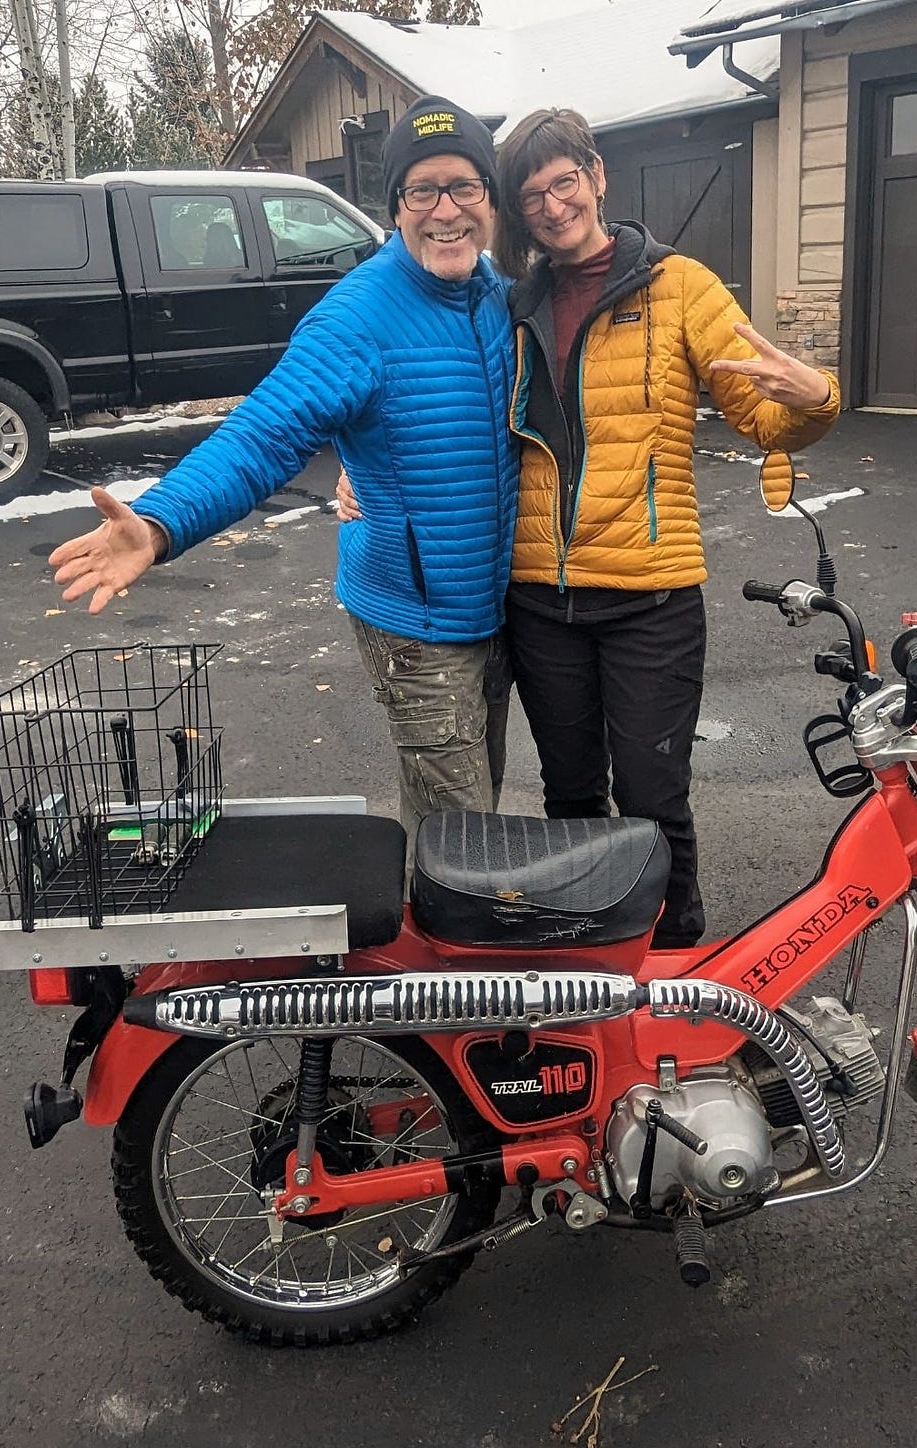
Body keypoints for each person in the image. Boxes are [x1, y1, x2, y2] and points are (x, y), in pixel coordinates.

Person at [343, 107, 841, 946]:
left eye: (563, 181)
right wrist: (359, 468)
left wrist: (813, 402)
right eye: (531, 194)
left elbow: (762, 412)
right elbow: (427, 390)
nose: (551, 204)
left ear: (597, 176)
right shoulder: (515, 299)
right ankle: (591, 974)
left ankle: (679, 971)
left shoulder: (681, 287)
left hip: (651, 598)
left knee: (653, 798)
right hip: (539, 601)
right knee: (571, 802)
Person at [48, 97, 519, 852]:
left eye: (464, 186)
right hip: (415, 615)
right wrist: (163, 523)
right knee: (461, 829)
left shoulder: (499, 296)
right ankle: (437, 960)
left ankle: (428, 923)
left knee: (463, 797)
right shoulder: (357, 319)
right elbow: (261, 436)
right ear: (395, 206)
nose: (445, 210)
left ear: (490, 199)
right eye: (421, 190)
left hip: (497, 603)